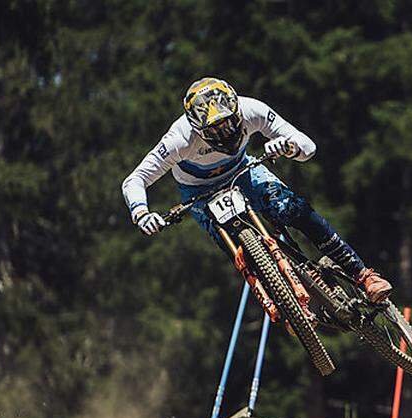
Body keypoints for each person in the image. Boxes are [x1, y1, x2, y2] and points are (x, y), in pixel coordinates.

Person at [121, 77, 391, 304]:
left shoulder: (253, 109)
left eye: (228, 124)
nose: (225, 133)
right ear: (196, 129)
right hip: (197, 192)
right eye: (214, 130)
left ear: (237, 111)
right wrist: (142, 213)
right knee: (235, 248)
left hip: (244, 171)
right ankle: (278, 297)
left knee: (290, 208)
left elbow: (308, 147)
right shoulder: (179, 139)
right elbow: (135, 180)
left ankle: (362, 274)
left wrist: (287, 146)